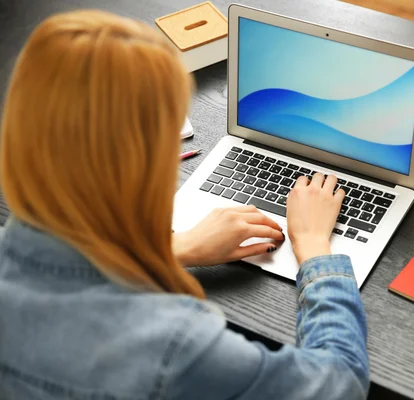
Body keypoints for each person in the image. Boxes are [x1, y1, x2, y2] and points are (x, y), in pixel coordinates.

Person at [0, 10, 369, 400]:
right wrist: (313, 248)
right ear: (142, 166)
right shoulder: (178, 348)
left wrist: (174, 249)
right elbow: (339, 384)